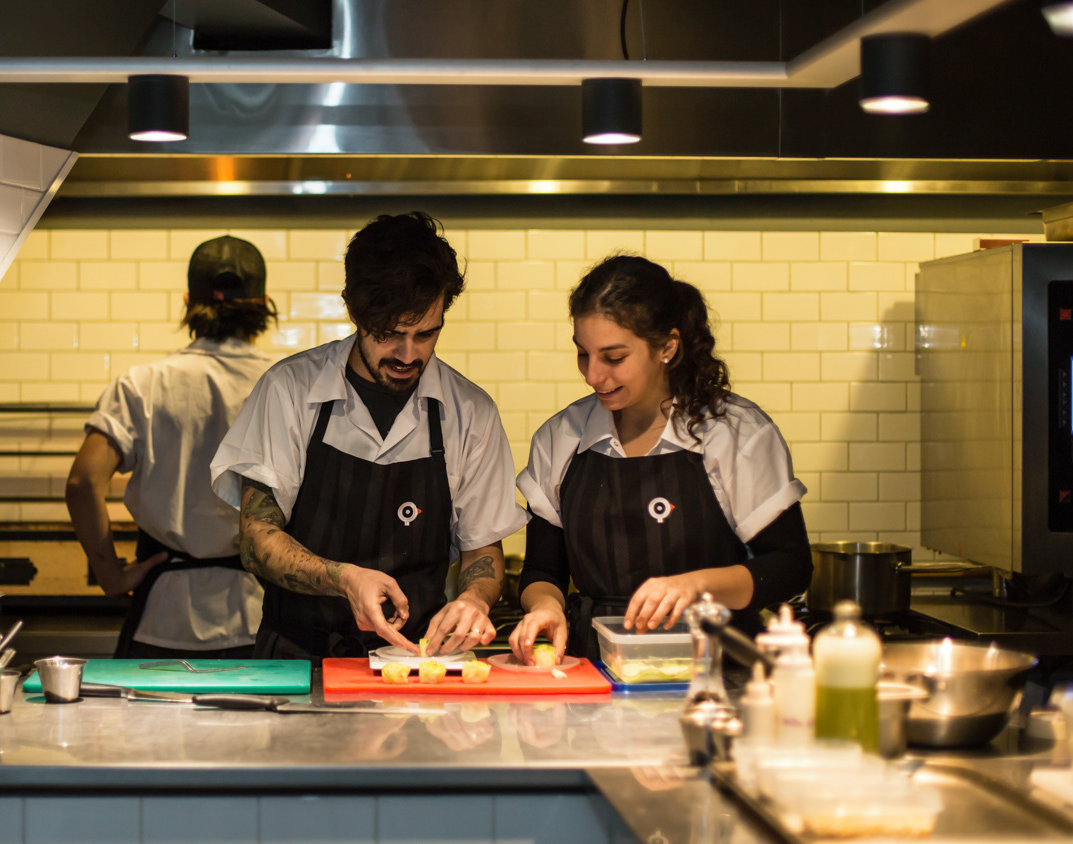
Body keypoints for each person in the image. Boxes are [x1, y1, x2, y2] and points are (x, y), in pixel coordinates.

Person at [210, 212, 528, 660]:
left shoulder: (470, 413)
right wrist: (344, 579)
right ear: (353, 309)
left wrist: (474, 599)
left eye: (426, 334)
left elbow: (483, 549)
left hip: (417, 662)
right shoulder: (290, 391)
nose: (408, 354)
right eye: (389, 334)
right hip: (297, 661)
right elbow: (256, 537)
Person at [510, 254, 813, 663]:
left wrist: (694, 587)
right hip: (595, 665)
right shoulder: (562, 437)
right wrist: (546, 606)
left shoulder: (733, 432)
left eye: (614, 358)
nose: (592, 376)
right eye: (583, 354)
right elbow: (543, 570)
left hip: (717, 670)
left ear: (667, 347)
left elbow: (790, 567)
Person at [66, 235, 276, 660]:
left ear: (188, 302)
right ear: (262, 305)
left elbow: (83, 481)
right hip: (260, 615)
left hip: (162, 616)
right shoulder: (283, 384)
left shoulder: (141, 385)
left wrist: (110, 576)